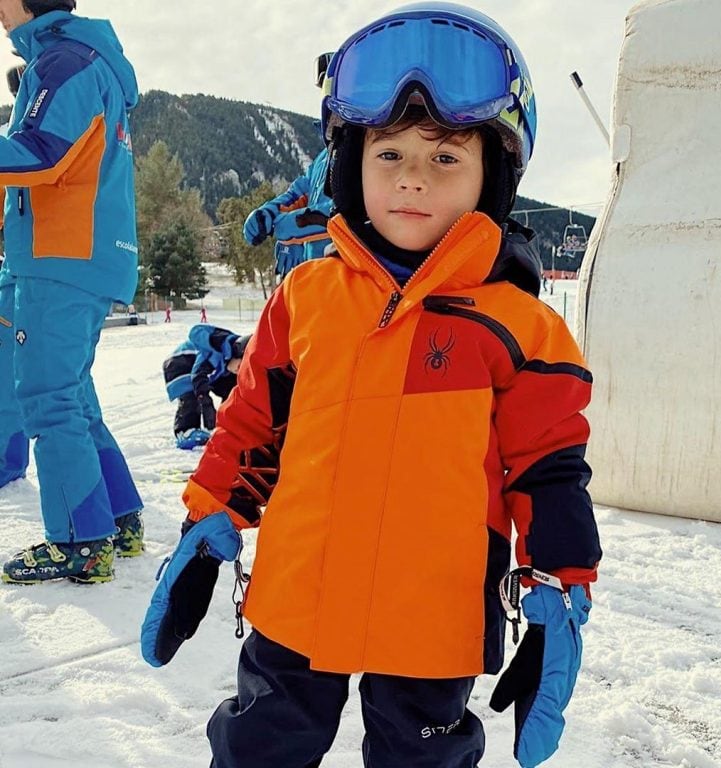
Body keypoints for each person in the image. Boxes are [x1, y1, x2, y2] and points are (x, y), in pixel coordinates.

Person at [142, 5, 602, 768]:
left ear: (496, 175)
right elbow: (254, 424)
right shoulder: (306, 298)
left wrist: (561, 579)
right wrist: (209, 517)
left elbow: (550, 469)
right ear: (351, 164)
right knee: (258, 747)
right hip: (296, 602)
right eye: (389, 154)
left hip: (433, 621)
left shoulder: (522, 328)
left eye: (447, 158)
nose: (413, 177)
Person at [0, 0, 143, 584]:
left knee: (48, 396)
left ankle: (80, 543)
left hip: (63, 254)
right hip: (83, 254)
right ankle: (118, 518)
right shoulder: (85, 58)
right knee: (73, 395)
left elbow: (42, 152)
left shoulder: (65, 60)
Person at [244, 146, 333, 279]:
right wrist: (270, 212)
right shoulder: (326, 153)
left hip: (352, 283)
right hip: (315, 277)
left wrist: (289, 229)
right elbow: (301, 191)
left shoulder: (366, 146)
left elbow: (349, 212)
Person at [162, 325, 251, 450]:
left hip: (212, 370)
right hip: (180, 363)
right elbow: (197, 376)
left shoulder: (229, 363)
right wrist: (205, 402)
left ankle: (228, 423)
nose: (240, 370)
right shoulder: (214, 350)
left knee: (230, 390)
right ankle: (186, 430)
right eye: (241, 365)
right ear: (238, 352)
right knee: (192, 394)